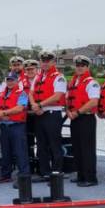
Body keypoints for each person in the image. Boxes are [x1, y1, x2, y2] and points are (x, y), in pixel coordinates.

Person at [31, 50, 67, 180]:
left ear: (53, 62)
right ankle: (44, 172)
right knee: (41, 146)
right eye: (43, 61)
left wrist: (40, 105)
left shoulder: (59, 77)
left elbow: (57, 96)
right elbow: (31, 92)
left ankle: (57, 173)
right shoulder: (38, 77)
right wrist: (34, 105)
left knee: (54, 145)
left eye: (48, 61)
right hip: (39, 114)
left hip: (52, 114)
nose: (45, 63)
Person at [66, 55, 100, 187]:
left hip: (86, 118)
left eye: (82, 66)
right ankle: (81, 175)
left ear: (87, 67)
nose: (79, 68)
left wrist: (78, 112)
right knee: (77, 148)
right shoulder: (73, 82)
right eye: (77, 66)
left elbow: (94, 101)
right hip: (74, 118)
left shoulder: (92, 83)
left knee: (87, 149)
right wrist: (69, 111)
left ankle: (91, 178)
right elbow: (69, 99)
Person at [0, 72, 29, 184]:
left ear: (17, 81)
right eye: (8, 80)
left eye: (12, 80)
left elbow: (20, 108)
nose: (10, 82)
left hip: (17, 126)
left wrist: (3, 113)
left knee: (20, 152)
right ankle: (5, 175)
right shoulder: (1, 94)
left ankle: (23, 177)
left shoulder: (22, 93)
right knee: (5, 152)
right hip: (4, 127)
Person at [23, 59, 40, 166]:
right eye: (28, 69)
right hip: (26, 115)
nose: (30, 71)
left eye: (32, 69)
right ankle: (29, 165)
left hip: (39, 114)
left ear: (36, 69)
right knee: (27, 141)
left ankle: (40, 165)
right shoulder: (21, 82)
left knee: (41, 141)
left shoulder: (41, 80)